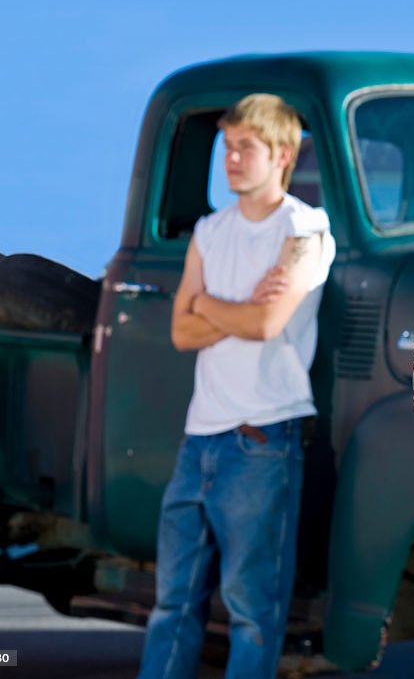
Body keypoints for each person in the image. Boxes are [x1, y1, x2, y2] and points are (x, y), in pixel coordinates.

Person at [138, 93, 335, 679]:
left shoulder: (305, 229)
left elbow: (266, 324)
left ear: (282, 154)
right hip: (199, 439)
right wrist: (226, 309)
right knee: (171, 604)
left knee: (253, 612)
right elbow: (179, 330)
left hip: (262, 439)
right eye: (227, 147)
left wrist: (205, 303)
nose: (230, 159)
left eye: (244, 147)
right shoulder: (209, 230)